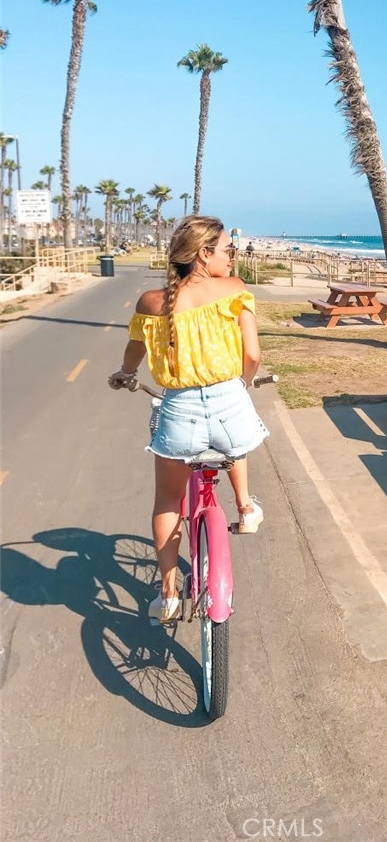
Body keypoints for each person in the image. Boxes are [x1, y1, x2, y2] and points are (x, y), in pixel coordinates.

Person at [108, 215, 269, 623]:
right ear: (203, 254)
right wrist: (241, 386)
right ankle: (245, 507)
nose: (232, 257)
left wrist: (125, 375)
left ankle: (168, 594)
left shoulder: (151, 303)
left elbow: (134, 353)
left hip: (180, 412)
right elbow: (252, 355)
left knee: (168, 499)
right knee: (236, 440)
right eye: (227, 250)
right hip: (230, 404)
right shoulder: (235, 290)